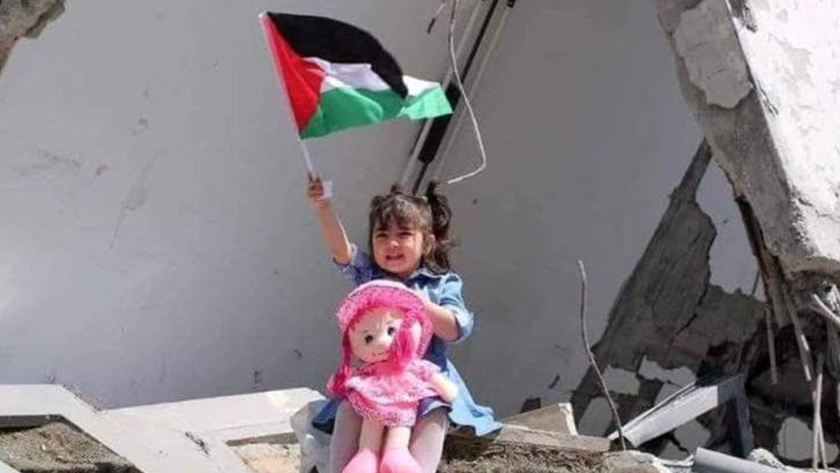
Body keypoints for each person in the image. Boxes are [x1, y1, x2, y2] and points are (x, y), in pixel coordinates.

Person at [306, 175, 500, 473]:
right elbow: (342, 251)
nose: (392, 243)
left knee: (434, 413)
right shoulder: (372, 277)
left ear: (427, 243)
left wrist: (415, 301)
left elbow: (455, 329)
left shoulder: (442, 283)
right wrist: (324, 208)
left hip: (423, 383)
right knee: (349, 408)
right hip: (373, 379)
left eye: (404, 234)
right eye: (382, 235)